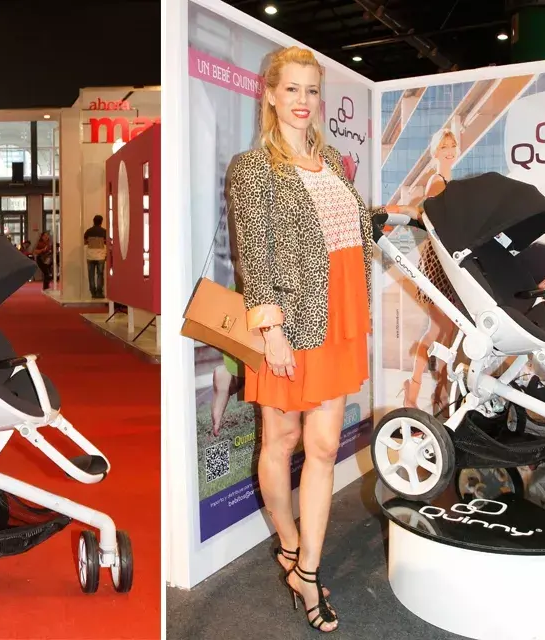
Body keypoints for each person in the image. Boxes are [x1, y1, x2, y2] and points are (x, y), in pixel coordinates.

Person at [227, 46, 416, 633]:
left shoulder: (332, 159)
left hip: (338, 316)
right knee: (280, 441)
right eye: (293, 89)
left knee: (327, 447)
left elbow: (349, 228)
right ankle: (288, 544)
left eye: (312, 90)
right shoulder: (252, 168)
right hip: (289, 320)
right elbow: (252, 254)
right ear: (270, 95)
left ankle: (307, 569)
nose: (303, 101)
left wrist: (392, 214)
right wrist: (271, 327)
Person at [403, 128, 460, 410]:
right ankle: (415, 390)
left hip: (449, 259)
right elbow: (435, 221)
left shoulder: (449, 180)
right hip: (439, 261)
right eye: (445, 146)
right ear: (435, 151)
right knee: (439, 327)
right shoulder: (437, 182)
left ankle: (442, 389)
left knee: (449, 330)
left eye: (453, 145)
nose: (450, 150)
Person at [84, 214, 108, 298]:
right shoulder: (104, 231)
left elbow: (85, 242)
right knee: (100, 275)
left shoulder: (88, 231)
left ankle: (93, 292)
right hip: (100, 256)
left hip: (90, 256)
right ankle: (99, 293)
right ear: (101, 222)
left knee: (91, 275)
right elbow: (107, 243)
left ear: (93, 221)